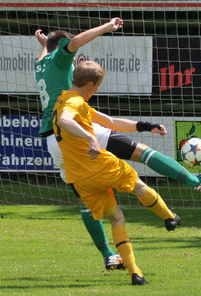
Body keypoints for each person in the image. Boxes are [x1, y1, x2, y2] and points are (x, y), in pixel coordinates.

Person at [34, 18, 201, 270]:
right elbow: (75, 42)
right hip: (76, 126)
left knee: (89, 202)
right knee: (140, 153)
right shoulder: (60, 62)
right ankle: (194, 182)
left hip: (52, 138)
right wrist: (107, 27)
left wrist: (44, 43)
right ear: (62, 48)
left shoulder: (41, 63)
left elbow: (50, 51)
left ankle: (109, 254)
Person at [54, 60, 183, 285]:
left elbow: (111, 122)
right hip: (102, 166)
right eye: (97, 87)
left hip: (80, 179)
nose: (96, 91)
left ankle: (136, 274)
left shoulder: (65, 99)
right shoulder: (74, 102)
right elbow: (65, 120)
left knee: (116, 218)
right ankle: (169, 217)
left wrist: (145, 125)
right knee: (139, 186)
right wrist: (91, 138)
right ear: (90, 85)